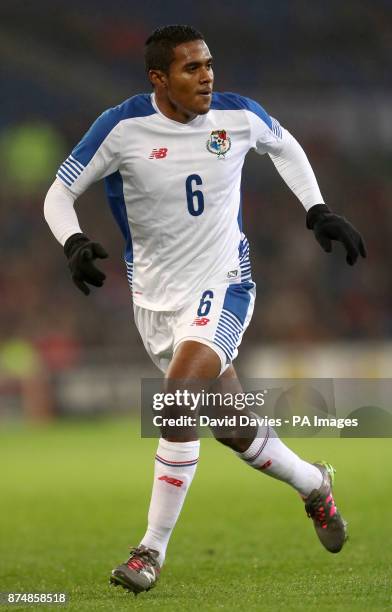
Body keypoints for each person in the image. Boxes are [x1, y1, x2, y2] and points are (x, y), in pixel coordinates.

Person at [44, 25, 366, 595]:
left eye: (209, 64)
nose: (207, 76)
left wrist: (317, 209)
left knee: (174, 405)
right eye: (191, 68)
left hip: (223, 285)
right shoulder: (121, 127)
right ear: (158, 79)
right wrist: (72, 242)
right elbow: (58, 194)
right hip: (155, 303)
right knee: (234, 429)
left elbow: (284, 145)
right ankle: (314, 484)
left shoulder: (238, 117)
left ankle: (149, 552)